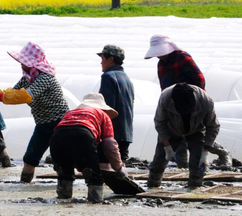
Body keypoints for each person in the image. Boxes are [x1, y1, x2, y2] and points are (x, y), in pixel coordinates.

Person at [145, 35, 230, 166]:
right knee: (177, 130)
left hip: (190, 102)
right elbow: (164, 85)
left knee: (196, 132)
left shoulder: (182, 58)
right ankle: (182, 163)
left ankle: (221, 152)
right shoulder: (161, 63)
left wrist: (192, 98)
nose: (158, 56)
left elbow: (199, 79)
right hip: (173, 102)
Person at [4, 42, 69, 184]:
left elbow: (27, 96)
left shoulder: (46, 78)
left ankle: (64, 192)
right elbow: (12, 94)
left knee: (60, 161)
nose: (21, 64)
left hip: (58, 124)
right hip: (41, 125)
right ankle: (23, 188)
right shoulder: (26, 79)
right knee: (29, 160)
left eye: (24, 61)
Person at [49, 92, 126, 203]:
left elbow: (67, 137)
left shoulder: (71, 113)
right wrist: (119, 167)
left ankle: (63, 199)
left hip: (57, 137)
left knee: (64, 173)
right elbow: (110, 145)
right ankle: (95, 202)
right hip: (83, 135)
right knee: (93, 175)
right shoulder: (102, 115)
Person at [149, 82, 221, 189]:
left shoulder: (206, 101)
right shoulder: (165, 98)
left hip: (196, 130)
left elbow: (213, 127)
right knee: (159, 161)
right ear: (173, 101)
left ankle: (194, 187)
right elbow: (160, 123)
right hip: (172, 129)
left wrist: (205, 152)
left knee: (198, 164)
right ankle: (152, 186)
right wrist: (167, 146)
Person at [97, 44, 135, 163]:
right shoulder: (127, 78)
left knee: (104, 168)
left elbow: (107, 108)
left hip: (112, 134)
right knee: (120, 168)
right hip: (125, 133)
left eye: (102, 59)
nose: (101, 63)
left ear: (111, 59)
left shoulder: (108, 77)